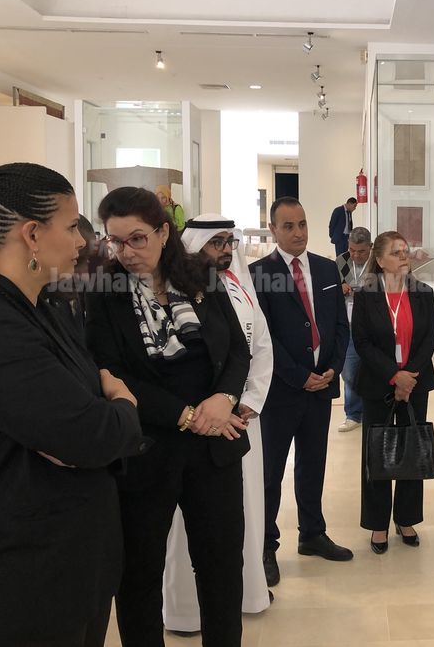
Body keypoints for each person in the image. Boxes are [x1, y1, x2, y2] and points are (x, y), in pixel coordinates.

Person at [0, 162, 144, 647]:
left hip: (66, 570)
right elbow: (93, 435)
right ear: (32, 235)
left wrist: (98, 421)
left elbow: (83, 429)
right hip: (11, 586)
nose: (81, 241)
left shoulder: (44, 307)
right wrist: (123, 404)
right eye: (70, 226)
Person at [85, 187, 251, 647]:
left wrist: (224, 397)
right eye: (115, 241)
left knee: (221, 569)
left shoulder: (202, 276)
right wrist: (187, 414)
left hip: (214, 449)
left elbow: (237, 349)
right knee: (139, 575)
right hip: (147, 451)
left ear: (163, 232)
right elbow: (109, 372)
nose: (126, 252)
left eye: (137, 238)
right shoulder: (105, 291)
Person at [160, 215, 273, 633]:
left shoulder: (239, 287)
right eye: (216, 243)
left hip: (241, 421)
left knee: (241, 515)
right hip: (192, 425)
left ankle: (247, 594)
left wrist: (247, 403)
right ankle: (185, 611)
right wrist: (206, 412)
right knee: (187, 526)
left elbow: (260, 348)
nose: (225, 251)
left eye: (229, 242)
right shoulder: (171, 290)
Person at [250, 197, 352, 588]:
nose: (298, 233)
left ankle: (312, 534)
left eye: (303, 224)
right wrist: (298, 376)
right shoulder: (260, 273)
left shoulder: (327, 268)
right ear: (273, 229)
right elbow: (263, 337)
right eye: (289, 226)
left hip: (321, 387)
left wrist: (333, 368)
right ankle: (266, 546)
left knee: (313, 464)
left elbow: (340, 325)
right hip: (281, 391)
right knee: (271, 472)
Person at [351, 231, 434, 553]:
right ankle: (378, 523)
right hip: (379, 384)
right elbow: (362, 342)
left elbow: (429, 338)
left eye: (406, 251)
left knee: (411, 450)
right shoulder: (366, 295)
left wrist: (408, 376)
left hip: (416, 383)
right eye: (396, 252)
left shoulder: (423, 292)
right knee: (378, 453)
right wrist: (393, 375)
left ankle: (406, 518)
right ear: (380, 259)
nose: (404, 257)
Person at [335, 226, 372, 432]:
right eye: (352, 250)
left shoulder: (378, 263)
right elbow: (329, 288)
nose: (356, 255)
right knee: (349, 371)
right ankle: (353, 414)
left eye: (361, 251)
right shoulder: (341, 261)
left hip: (372, 326)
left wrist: (365, 294)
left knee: (373, 369)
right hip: (348, 325)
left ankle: (371, 410)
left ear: (370, 247)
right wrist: (339, 288)